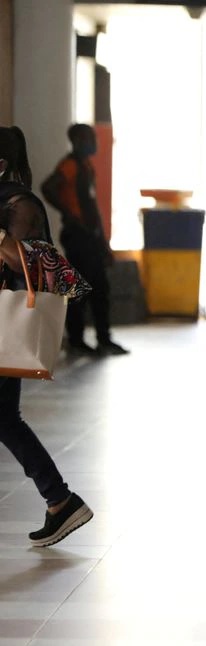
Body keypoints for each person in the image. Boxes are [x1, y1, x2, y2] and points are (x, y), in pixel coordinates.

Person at [0, 179, 94, 547]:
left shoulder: (18, 204)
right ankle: (60, 501)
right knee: (6, 420)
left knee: (6, 420)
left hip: (7, 327)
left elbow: (32, 259)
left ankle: (60, 500)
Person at [41, 123, 128, 357]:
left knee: (100, 288)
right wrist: (68, 213)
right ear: (78, 141)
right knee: (79, 289)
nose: (94, 143)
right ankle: (77, 341)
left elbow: (92, 208)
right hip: (77, 237)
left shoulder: (87, 167)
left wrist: (104, 244)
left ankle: (103, 339)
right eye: (89, 138)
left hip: (92, 238)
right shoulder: (69, 165)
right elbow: (48, 187)